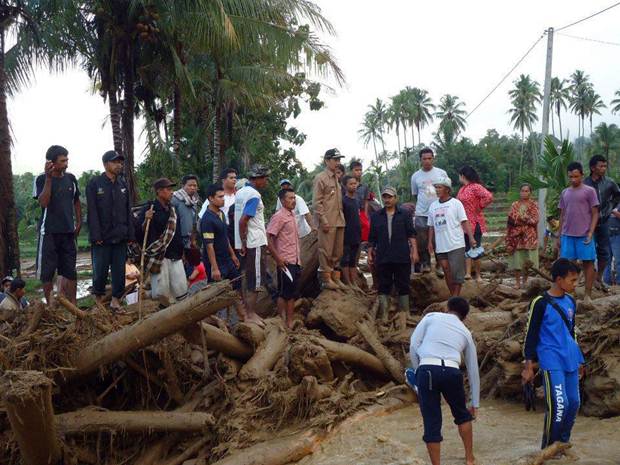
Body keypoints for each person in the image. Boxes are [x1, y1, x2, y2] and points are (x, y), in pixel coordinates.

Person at [409, 296, 480, 465]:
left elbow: (413, 345)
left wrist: (418, 371)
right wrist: (475, 402)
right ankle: (470, 459)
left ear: (447, 308)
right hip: (451, 370)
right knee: (463, 416)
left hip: (427, 369)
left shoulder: (431, 317)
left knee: (432, 421)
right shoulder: (466, 332)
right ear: (464, 316)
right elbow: (472, 369)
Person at [522, 258, 584, 449]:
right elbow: (530, 334)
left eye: (577, 280)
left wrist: (580, 359)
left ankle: (563, 444)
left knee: (574, 403)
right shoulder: (540, 303)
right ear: (559, 279)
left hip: (571, 357)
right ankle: (548, 448)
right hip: (551, 358)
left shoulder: (571, 301)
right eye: (572, 280)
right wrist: (528, 365)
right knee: (559, 405)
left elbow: (572, 331)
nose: (576, 284)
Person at [86, 150, 135, 311]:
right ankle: (98, 301)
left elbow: (128, 211)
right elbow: (92, 212)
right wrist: (96, 235)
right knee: (100, 271)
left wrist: (130, 234)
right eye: (115, 162)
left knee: (119, 271)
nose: (119, 165)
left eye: (120, 162)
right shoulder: (95, 184)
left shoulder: (123, 185)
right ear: (106, 164)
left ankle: (116, 300)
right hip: (102, 237)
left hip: (120, 236)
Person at [33, 145, 81, 306]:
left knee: (70, 271)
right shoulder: (41, 179)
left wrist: (79, 222)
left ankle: (73, 305)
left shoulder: (71, 179)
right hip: (49, 232)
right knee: (47, 272)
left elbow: (76, 201)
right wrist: (48, 178)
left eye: (67, 159)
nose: (66, 163)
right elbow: (44, 202)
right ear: (52, 163)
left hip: (68, 232)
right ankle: (50, 304)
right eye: (63, 160)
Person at [368, 187, 418, 320]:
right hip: (383, 256)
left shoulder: (405, 214)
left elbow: (411, 234)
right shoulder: (376, 216)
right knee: (384, 284)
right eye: (385, 197)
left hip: (401, 254)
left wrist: (414, 251)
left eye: (390, 197)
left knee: (403, 283)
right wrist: (370, 253)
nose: (387, 200)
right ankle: (384, 314)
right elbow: (372, 238)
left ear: (395, 198)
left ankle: (404, 313)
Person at [201, 183, 248, 322]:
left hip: (227, 259)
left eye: (223, 196)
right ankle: (214, 323)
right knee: (216, 295)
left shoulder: (221, 214)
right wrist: (214, 268)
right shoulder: (207, 220)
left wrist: (233, 255)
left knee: (237, 287)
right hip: (216, 262)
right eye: (220, 197)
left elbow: (224, 236)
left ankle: (243, 317)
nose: (223, 199)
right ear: (210, 198)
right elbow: (209, 246)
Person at [138, 178, 187, 306]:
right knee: (160, 292)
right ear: (159, 191)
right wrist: (146, 219)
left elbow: (177, 233)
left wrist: (182, 251)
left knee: (180, 289)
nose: (172, 192)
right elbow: (139, 232)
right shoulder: (149, 208)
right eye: (169, 189)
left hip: (175, 255)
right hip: (158, 257)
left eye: (172, 189)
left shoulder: (173, 210)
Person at [557, 162, 599, 305]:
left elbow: (595, 213)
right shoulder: (565, 192)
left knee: (588, 264)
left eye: (576, 176)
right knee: (568, 265)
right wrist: (559, 235)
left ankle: (588, 295)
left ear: (582, 175)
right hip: (567, 235)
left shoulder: (589, 191)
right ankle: (570, 294)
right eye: (570, 177)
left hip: (585, 234)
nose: (573, 179)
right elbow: (562, 214)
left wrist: (591, 233)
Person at [428, 177, 477, 297]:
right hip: (441, 245)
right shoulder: (433, 206)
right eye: (436, 187)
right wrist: (430, 242)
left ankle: (455, 297)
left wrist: (471, 238)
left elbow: (465, 221)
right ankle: (453, 296)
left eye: (439, 187)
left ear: (447, 189)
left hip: (456, 243)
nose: (437, 190)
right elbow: (431, 226)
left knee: (457, 271)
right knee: (446, 269)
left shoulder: (456, 203)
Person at [235, 165, 271, 325]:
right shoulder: (254, 195)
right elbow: (243, 220)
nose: (266, 181)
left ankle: (248, 314)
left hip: (245, 241)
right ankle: (250, 314)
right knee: (255, 280)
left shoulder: (240, 192)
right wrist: (244, 241)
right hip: (254, 242)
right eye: (265, 178)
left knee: (246, 278)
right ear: (257, 179)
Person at [584, 154, 620, 290]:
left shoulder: (610, 182)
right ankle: (589, 280)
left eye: (605, 166)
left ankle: (599, 278)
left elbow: (617, 196)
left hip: (604, 222)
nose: (604, 168)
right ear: (593, 168)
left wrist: (609, 208)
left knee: (604, 251)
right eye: (601, 166)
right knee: (588, 252)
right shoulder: (585, 183)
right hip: (587, 223)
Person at [267, 189, 302, 328]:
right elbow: (268, 237)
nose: (293, 200)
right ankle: (283, 322)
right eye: (290, 198)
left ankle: (289, 321)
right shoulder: (279, 216)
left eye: (294, 198)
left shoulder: (292, 215)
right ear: (282, 201)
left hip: (294, 260)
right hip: (285, 260)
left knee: (291, 292)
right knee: (285, 293)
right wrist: (278, 258)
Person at [313, 149, 347, 290]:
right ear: (327, 161)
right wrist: (323, 220)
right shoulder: (321, 178)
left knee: (337, 251)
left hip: (339, 219)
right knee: (325, 250)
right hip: (327, 221)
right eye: (335, 160)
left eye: (339, 160)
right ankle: (326, 280)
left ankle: (335, 277)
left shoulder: (336, 178)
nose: (338, 163)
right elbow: (317, 202)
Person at [411, 148, 448, 273]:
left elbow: (446, 191)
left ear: (433, 158)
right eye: (424, 159)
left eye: (429, 158)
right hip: (422, 212)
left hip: (439, 211)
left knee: (439, 239)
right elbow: (415, 194)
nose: (427, 161)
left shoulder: (441, 173)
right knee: (422, 240)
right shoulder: (415, 176)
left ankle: (439, 265)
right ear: (420, 160)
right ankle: (425, 264)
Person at [456, 166, 493, 282]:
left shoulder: (475, 187)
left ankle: (478, 275)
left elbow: (489, 196)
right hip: (463, 223)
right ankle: (467, 273)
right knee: (466, 248)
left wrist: (480, 206)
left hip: (475, 222)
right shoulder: (461, 189)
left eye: (459, 175)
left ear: (463, 175)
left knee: (475, 248)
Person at [506, 183, 539, 289]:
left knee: (527, 259)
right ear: (519, 192)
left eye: (527, 191)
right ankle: (517, 282)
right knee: (517, 258)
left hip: (529, 236)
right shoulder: (514, 205)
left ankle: (524, 281)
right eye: (522, 191)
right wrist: (524, 219)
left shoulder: (534, 204)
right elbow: (511, 219)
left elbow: (535, 219)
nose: (524, 193)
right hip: (516, 236)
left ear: (530, 192)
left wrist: (522, 218)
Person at [340, 176, 362, 290]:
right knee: (345, 259)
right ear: (345, 186)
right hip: (346, 234)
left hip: (357, 234)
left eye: (355, 183)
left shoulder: (357, 200)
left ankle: (354, 282)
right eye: (351, 184)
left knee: (353, 259)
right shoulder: (343, 201)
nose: (354, 185)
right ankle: (348, 283)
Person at [171, 174, 201, 248]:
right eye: (189, 185)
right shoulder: (175, 199)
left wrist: (193, 240)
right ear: (183, 186)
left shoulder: (194, 202)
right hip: (175, 239)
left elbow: (194, 223)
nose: (192, 188)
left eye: (195, 186)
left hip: (188, 240)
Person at [603, 203, 620, 285]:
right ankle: (606, 282)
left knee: (618, 260)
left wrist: (612, 211)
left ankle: (619, 283)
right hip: (606, 236)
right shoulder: (605, 202)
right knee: (606, 260)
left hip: (617, 235)